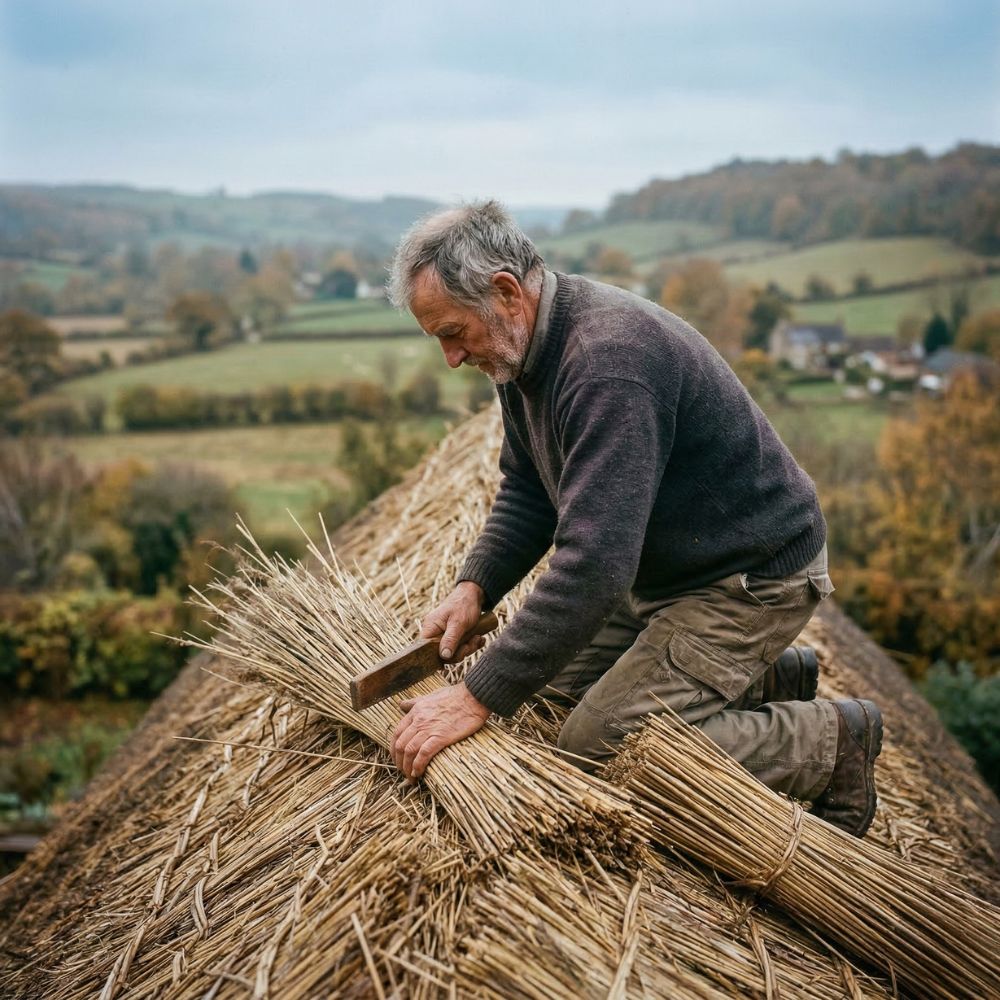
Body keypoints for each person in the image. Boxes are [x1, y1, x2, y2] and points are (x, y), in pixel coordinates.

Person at [386, 200, 883, 837]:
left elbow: (595, 564)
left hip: (747, 577)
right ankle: (768, 679)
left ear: (506, 292)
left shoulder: (606, 365)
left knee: (597, 744)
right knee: (547, 693)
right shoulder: (523, 353)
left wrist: (473, 696)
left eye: (453, 332)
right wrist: (474, 587)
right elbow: (530, 490)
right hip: (669, 567)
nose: (452, 357)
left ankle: (832, 743)